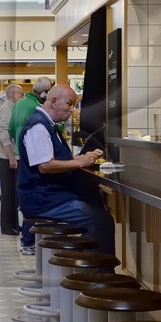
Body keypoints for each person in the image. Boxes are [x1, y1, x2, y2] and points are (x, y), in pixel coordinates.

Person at [17, 84, 113, 255]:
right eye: (69, 104)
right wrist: (79, 163)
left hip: (50, 196)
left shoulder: (49, 125)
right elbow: (45, 165)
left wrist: (82, 158)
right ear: (53, 101)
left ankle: (86, 266)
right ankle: (95, 274)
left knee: (99, 211)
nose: (72, 110)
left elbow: (56, 158)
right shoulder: (38, 127)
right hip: (44, 200)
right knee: (100, 220)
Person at [8, 76, 54, 249]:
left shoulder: (19, 104)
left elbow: (11, 128)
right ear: (44, 93)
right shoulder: (38, 107)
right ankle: (31, 242)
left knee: (26, 196)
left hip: (20, 154)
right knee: (36, 196)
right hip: (35, 156)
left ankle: (27, 240)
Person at [0, 84, 23, 234]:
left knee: (13, 192)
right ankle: (6, 226)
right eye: (21, 94)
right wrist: (11, 156)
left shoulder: (13, 107)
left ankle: (14, 223)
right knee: (8, 192)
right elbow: (4, 132)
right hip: (7, 157)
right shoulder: (7, 108)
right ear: (14, 94)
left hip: (10, 155)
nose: (22, 96)